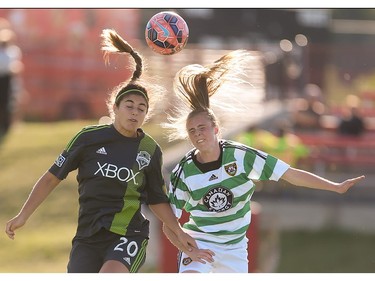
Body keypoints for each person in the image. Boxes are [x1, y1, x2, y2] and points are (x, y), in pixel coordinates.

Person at [5, 29, 213, 273]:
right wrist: (22, 216)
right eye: (130, 106)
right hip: (88, 237)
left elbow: (157, 199)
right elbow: (51, 177)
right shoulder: (88, 138)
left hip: (129, 236)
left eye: (141, 109)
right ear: (115, 107)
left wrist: (179, 233)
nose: (135, 112)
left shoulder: (149, 150)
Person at [161, 50, 365, 273]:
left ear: (216, 129)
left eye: (202, 128)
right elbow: (169, 223)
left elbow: (290, 174)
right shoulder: (184, 171)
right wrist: (189, 250)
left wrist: (334, 186)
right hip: (200, 243)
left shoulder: (241, 156)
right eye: (191, 131)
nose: (197, 133)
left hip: (234, 249)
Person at [0, 19, 23, 140]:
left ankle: (7, 125)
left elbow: (15, 66)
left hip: (7, 79)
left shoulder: (13, 50)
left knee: (7, 103)